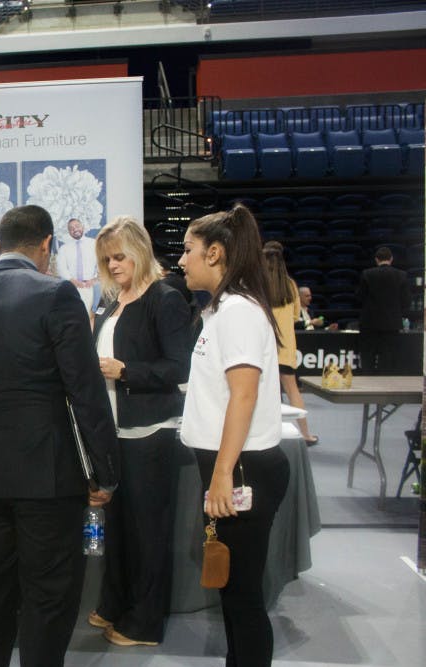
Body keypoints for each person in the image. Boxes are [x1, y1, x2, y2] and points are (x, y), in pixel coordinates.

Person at [0, 204, 119, 667]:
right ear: (46, 246)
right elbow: (86, 393)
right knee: (48, 595)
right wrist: (105, 472)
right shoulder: (57, 294)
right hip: (47, 474)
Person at [178, 204, 289, 667]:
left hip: (242, 469)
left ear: (216, 253)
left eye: (189, 250)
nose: (181, 260)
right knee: (233, 592)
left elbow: (243, 397)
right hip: (231, 466)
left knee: (242, 596)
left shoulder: (239, 311)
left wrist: (222, 474)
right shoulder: (221, 311)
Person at [87, 216, 193, 647]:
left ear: (140, 252)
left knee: (147, 532)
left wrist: (125, 370)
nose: (113, 265)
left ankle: (145, 622)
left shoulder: (164, 299)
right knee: (119, 528)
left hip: (150, 433)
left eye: (119, 256)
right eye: (107, 259)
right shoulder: (113, 303)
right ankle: (115, 603)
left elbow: (179, 367)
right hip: (115, 432)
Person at [263, 242, 319, 446]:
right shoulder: (291, 285)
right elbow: (297, 316)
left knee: (262, 392)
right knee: (292, 390)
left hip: (263, 346)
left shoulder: (258, 284)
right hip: (285, 347)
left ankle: (264, 435)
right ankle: (306, 435)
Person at [357, 246, 411, 375]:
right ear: (391, 259)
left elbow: (360, 297)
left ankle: (367, 385)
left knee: (368, 356)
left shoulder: (367, 274)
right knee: (387, 357)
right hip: (391, 325)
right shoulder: (402, 275)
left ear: (376, 260)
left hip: (369, 323)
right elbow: (406, 301)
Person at [57, 217, 100, 313]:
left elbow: (101, 263)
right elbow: (61, 268)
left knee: (91, 315)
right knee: (74, 314)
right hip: (73, 287)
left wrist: (95, 279)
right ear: (69, 232)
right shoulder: (64, 248)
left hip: (91, 287)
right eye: (71, 228)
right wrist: (73, 281)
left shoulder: (94, 244)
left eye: (77, 226)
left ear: (83, 227)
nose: (75, 229)